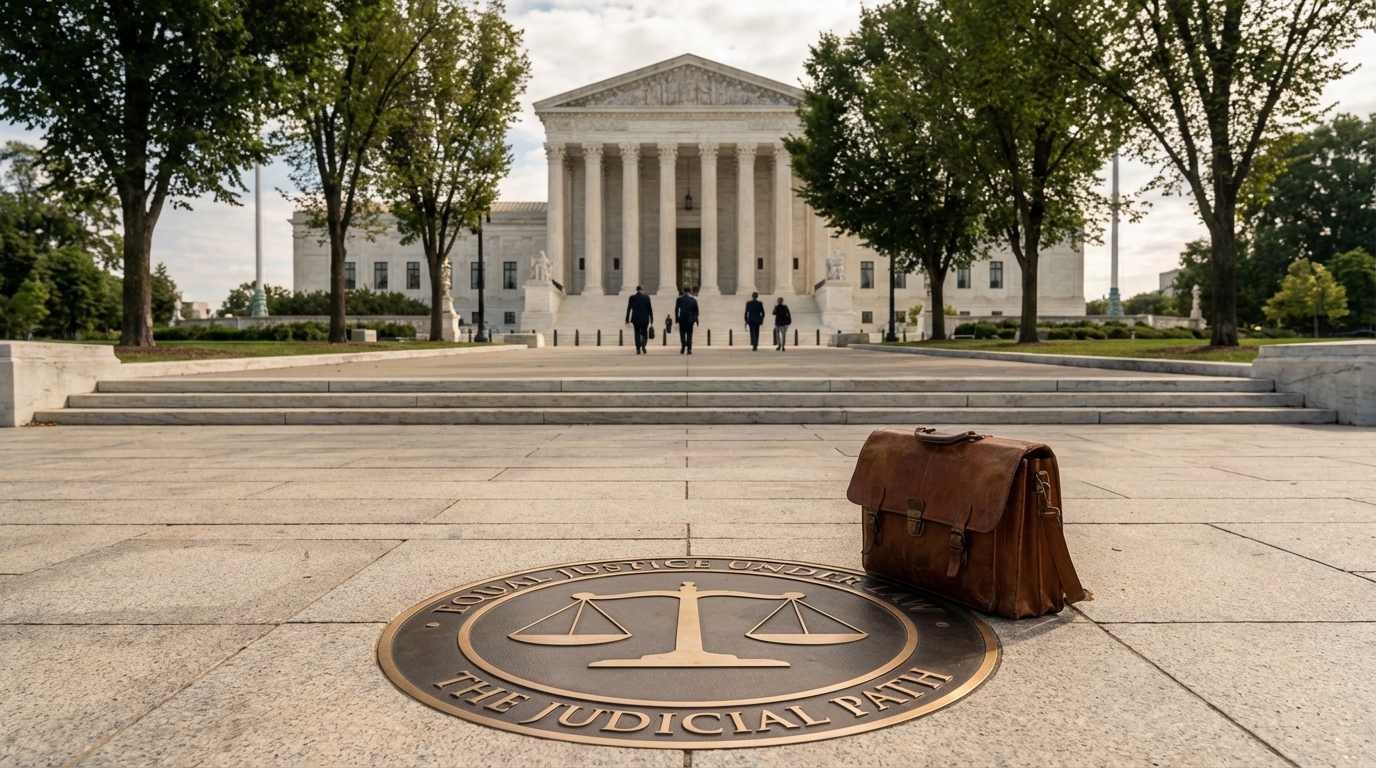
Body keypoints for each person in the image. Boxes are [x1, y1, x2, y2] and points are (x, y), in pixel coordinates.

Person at [624, 285, 653, 354]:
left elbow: (629, 309)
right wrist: (652, 319)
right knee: (644, 333)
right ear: (642, 290)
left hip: (635, 318)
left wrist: (627, 319)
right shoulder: (646, 297)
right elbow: (650, 309)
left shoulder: (632, 298)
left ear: (636, 290)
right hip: (644, 318)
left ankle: (638, 349)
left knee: (637, 333)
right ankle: (643, 345)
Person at [675, 287, 699, 354]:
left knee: (682, 334)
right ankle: (689, 349)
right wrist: (696, 320)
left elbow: (676, 309)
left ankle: (683, 347)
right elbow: (696, 311)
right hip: (690, 319)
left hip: (682, 319)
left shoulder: (679, 299)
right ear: (690, 291)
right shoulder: (693, 300)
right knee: (689, 334)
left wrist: (677, 319)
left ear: (683, 291)